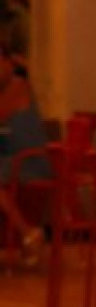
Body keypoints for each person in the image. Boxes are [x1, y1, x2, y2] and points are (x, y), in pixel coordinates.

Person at [0, 41, 48, 265]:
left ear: (9, 62)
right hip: (11, 161)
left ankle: (27, 231)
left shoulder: (18, 87)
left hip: (31, 163)